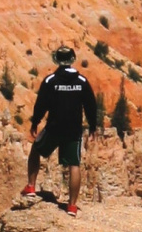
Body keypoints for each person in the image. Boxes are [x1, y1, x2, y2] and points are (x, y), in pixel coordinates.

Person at [23, 45, 100, 215]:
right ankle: (72, 206)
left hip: (54, 128)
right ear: (72, 60)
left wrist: (35, 122)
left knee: (36, 149)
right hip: (73, 130)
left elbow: (41, 104)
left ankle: (31, 187)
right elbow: (91, 105)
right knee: (74, 164)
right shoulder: (82, 82)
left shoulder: (51, 81)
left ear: (56, 60)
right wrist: (93, 125)